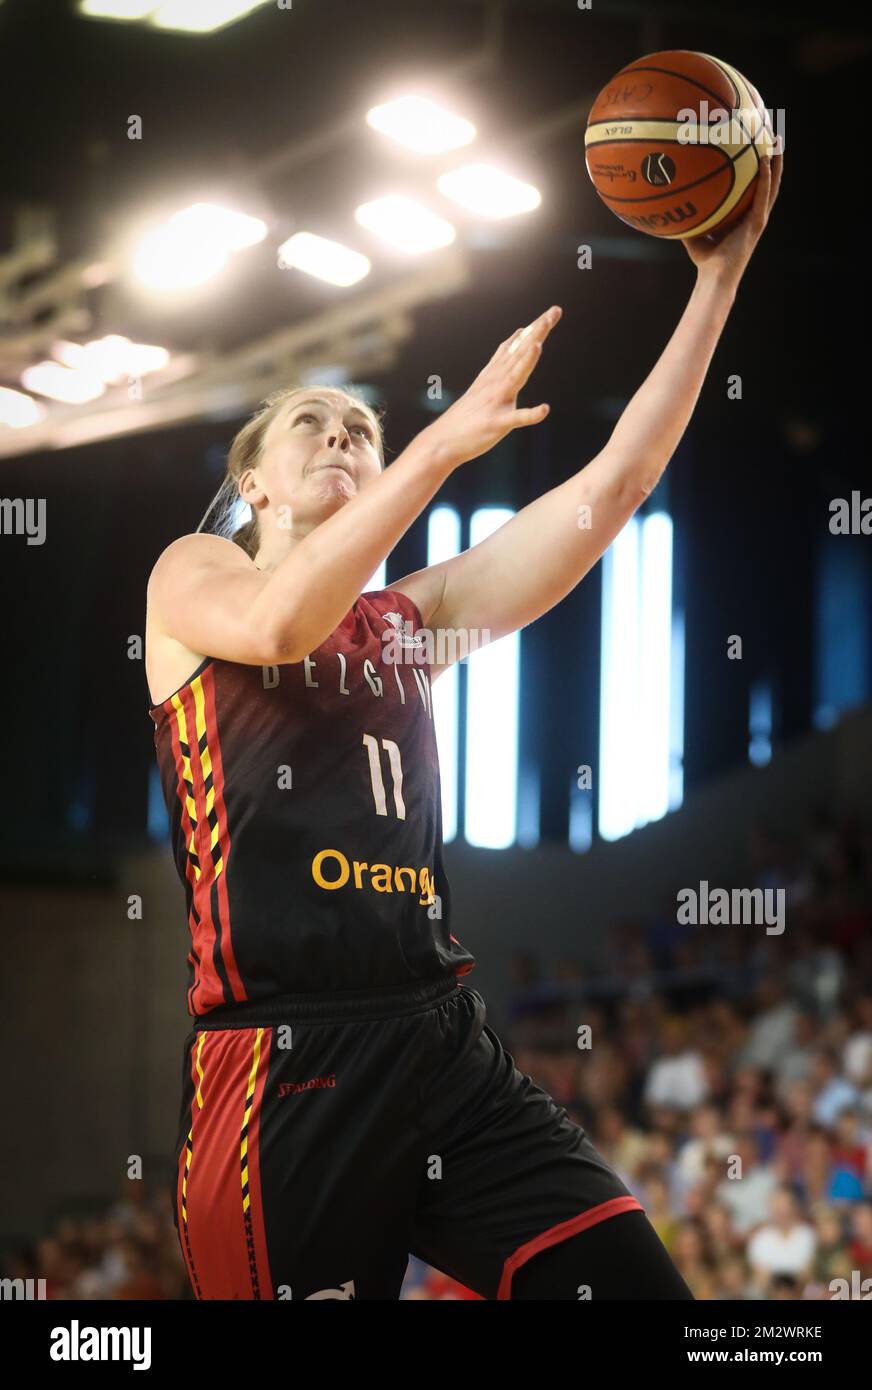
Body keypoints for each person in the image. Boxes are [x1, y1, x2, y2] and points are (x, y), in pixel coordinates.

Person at [145, 151, 782, 1300]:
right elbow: (286, 617)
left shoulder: (414, 617)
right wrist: (439, 445)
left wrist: (716, 280)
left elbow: (615, 485)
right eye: (314, 425)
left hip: (440, 1040)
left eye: (362, 428)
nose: (345, 436)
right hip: (283, 1063)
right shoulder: (195, 575)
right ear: (257, 484)